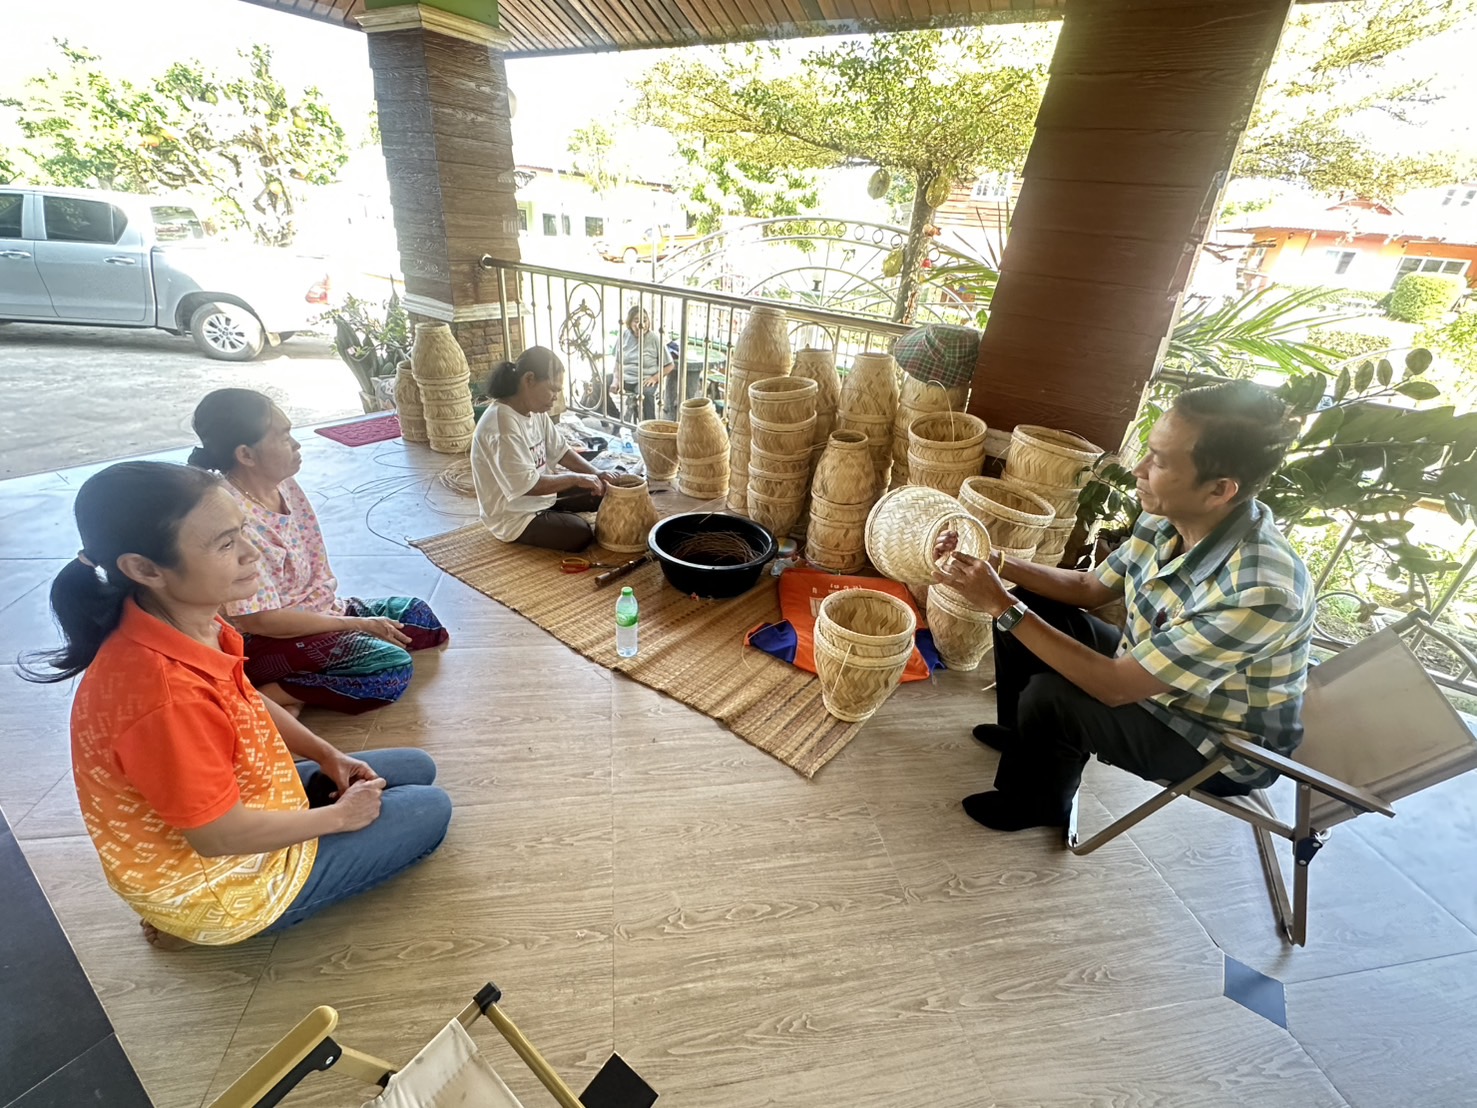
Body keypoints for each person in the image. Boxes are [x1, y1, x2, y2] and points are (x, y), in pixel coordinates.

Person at [20, 461, 452, 948]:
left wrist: (327, 754)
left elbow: (246, 700)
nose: (252, 553)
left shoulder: (191, 621)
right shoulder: (163, 697)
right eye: (226, 544)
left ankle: (303, 823)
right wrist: (339, 819)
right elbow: (217, 836)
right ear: (144, 569)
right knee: (427, 809)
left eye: (243, 531)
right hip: (218, 880)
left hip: (243, 805)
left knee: (414, 767)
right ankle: (196, 926)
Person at [933, 381, 1313, 832]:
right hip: (1152, 674)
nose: (1139, 468)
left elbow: (1115, 687)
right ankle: (1027, 738)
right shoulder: (1168, 516)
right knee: (1031, 604)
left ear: (1219, 490)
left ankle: (1037, 803)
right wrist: (995, 562)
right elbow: (1089, 587)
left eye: (1160, 462)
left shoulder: (1263, 591)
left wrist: (999, 603)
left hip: (1213, 740)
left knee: (1050, 694)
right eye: (1149, 451)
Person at [188, 389, 449, 716]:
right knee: (390, 668)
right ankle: (271, 696)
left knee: (420, 619)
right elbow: (258, 620)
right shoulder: (234, 518)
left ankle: (319, 674)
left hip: (323, 611)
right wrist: (357, 626)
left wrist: (351, 621)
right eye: (284, 437)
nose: (296, 444)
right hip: (269, 640)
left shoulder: (281, 483)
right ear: (246, 455)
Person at [471, 346, 611, 552]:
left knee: (603, 490)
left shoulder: (535, 411)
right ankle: (555, 516)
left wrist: (596, 473)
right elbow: (528, 486)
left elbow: (561, 451)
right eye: (553, 389)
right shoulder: (501, 425)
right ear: (529, 379)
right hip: (514, 517)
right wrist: (576, 479)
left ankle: (556, 512)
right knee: (580, 534)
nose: (555, 397)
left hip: (542, 499)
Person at [613, 305, 673, 423]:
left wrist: (655, 378)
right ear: (629, 323)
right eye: (636, 321)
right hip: (625, 378)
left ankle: (650, 426)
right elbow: (618, 362)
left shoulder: (655, 338)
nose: (641, 325)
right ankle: (614, 417)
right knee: (599, 381)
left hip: (645, 379)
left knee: (646, 394)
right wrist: (616, 379)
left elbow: (669, 365)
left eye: (644, 320)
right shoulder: (624, 335)